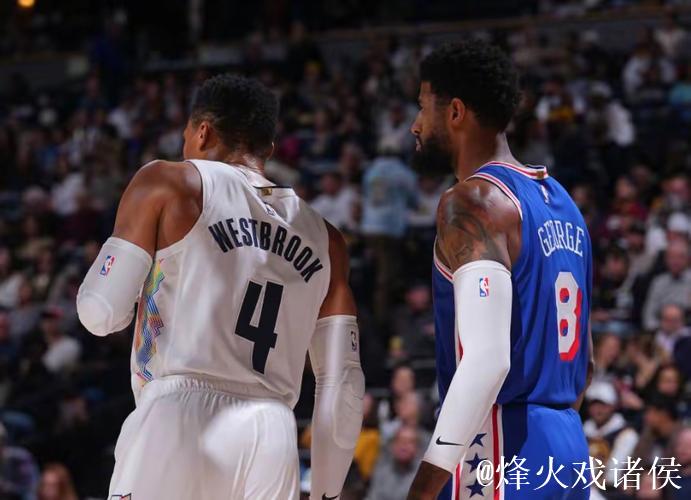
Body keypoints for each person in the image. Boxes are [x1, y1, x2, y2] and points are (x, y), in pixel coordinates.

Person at [76, 74, 364, 500]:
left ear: (202, 132)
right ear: (267, 149)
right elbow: (344, 384)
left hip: (179, 414)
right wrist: (326, 494)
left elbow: (100, 313)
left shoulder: (169, 181)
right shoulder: (328, 239)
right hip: (273, 431)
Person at [407, 40, 593, 499]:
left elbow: (488, 360)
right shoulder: (563, 204)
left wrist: (425, 487)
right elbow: (585, 361)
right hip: (568, 442)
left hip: (502, 445)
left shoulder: (474, 201)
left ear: (455, 112)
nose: (415, 125)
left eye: (422, 108)